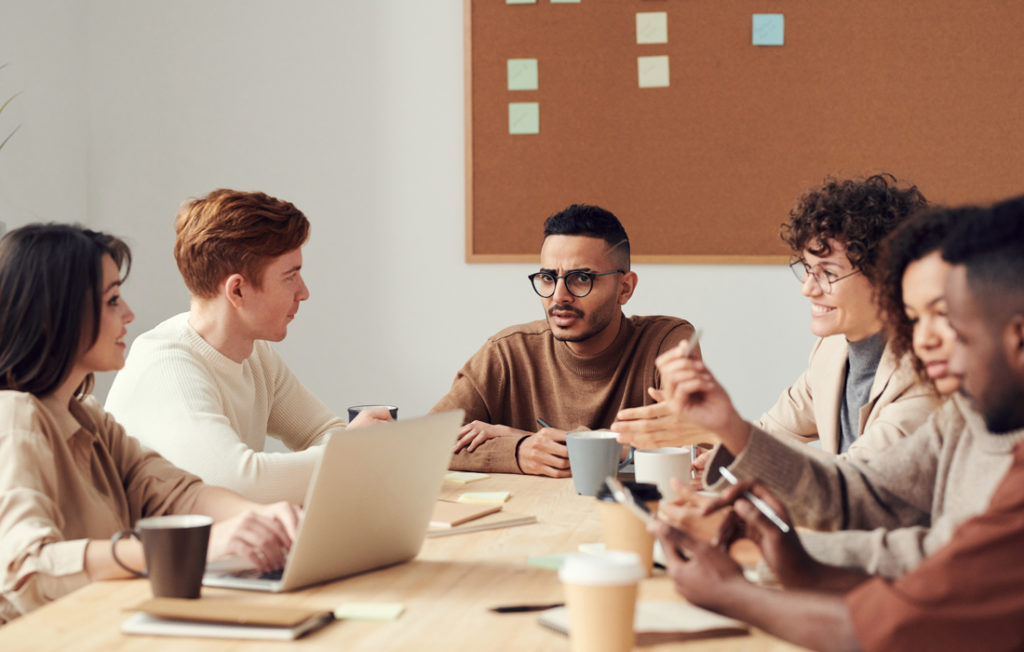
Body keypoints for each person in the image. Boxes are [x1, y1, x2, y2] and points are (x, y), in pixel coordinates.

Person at [652, 195, 1024, 651]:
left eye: (949, 318)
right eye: (914, 317)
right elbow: (860, 491)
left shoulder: (938, 391)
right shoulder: (968, 411)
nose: (925, 340)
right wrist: (729, 429)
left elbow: (926, 582)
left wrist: (738, 585)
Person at [0, 223, 300, 623]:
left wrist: (262, 521)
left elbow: (173, 492)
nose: (129, 313)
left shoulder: (87, 418)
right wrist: (192, 546)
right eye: (111, 301)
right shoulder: (13, 417)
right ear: (52, 316)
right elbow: (25, 567)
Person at [615, 174, 940, 459]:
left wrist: (722, 431)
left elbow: (856, 483)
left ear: (888, 278)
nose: (808, 289)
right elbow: (772, 432)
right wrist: (715, 447)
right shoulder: (832, 351)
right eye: (808, 270)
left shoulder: (927, 372)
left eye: (827, 272)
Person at [105, 190, 391, 505]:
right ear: (238, 290)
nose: (304, 292)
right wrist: (349, 451)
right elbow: (236, 483)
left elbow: (321, 432)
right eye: (290, 277)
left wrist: (352, 447)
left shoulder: (255, 354)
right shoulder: (166, 366)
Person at [432, 204, 698, 476]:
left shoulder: (668, 343)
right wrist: (519, 450)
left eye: (581, 278)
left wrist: (516, 435)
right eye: (548, 278)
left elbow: (694, 443)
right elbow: (428, 442)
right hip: (532, 516)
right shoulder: (507, 353)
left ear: (625, 288)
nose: (559, 295)